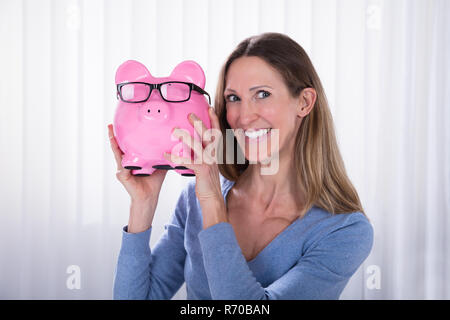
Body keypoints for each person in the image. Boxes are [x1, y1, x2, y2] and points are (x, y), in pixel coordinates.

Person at [109, 32, 373, 300]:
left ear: (304, 102)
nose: (244, 117)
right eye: (234, 98)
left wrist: (213, 202)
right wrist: (143, 204)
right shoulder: (193, 201)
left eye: (262, 94)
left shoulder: (344, 230)